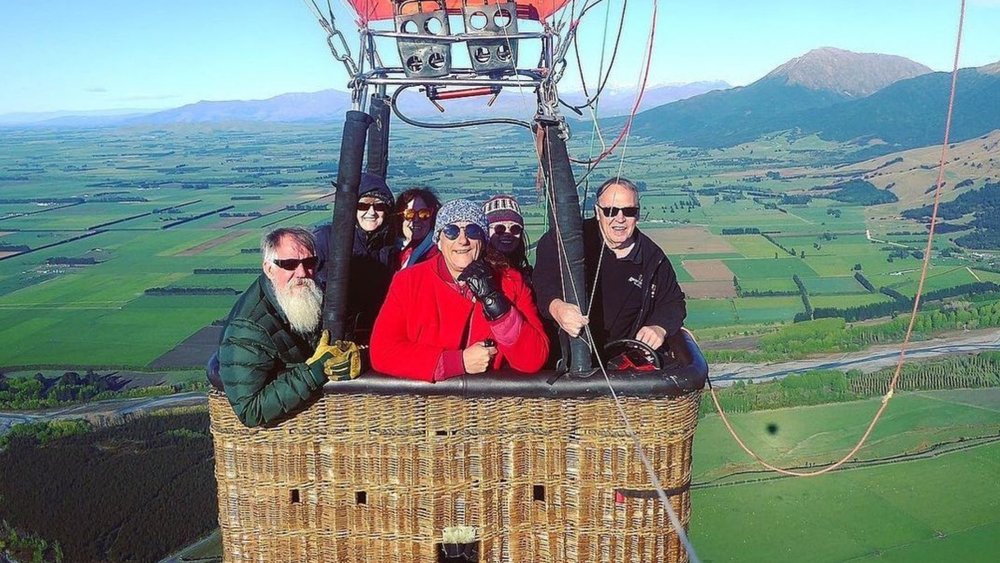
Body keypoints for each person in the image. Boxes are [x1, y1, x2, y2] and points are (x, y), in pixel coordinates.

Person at [370, 199, 549, 381]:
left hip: (490, 404)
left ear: (483, 240)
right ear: (439, 241)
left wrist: (495, 302)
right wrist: (458, 362)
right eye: (451, 231)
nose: (463, 240)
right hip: (427, 403)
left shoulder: (510, 281)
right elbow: (383, 352)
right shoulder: (409, 282)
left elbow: (533, 359)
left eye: (472, 231)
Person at [533, 176, 687, 365]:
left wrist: (659, 327)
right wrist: (556, 308)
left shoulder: (653, 259)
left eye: (629, 211)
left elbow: (673, 301)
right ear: (598, 212)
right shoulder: (569, 240)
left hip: (618, 364)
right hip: (564, 360)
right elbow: (543, 281)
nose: (619, 218)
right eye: (611, 211)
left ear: (637, 215)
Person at [218, 227, 348, 427]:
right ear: (269, 269)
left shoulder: (310, 295)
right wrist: (316, 370)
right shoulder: (248, 327)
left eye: (310, 262)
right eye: (289, 264)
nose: (302, 273)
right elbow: (250, 410)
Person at [314, 172, 396, 343]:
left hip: (372, 335)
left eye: (379, 206)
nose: (371, 212)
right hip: (328, 335)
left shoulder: (389, 245)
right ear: (352, 207)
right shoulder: (326, 239)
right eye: (363, 206)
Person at [483, 194, 532, 279]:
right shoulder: (482, 273)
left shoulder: (522, 273)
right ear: (486, 231)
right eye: (499, 228)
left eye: (515, 228)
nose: (507, 233)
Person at [394, 187, 441, 270]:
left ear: (433, 217)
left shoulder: (438, 255)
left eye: (424, 214)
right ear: (399, 217)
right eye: (409, 214)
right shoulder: (390, 251)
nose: (416, 220)